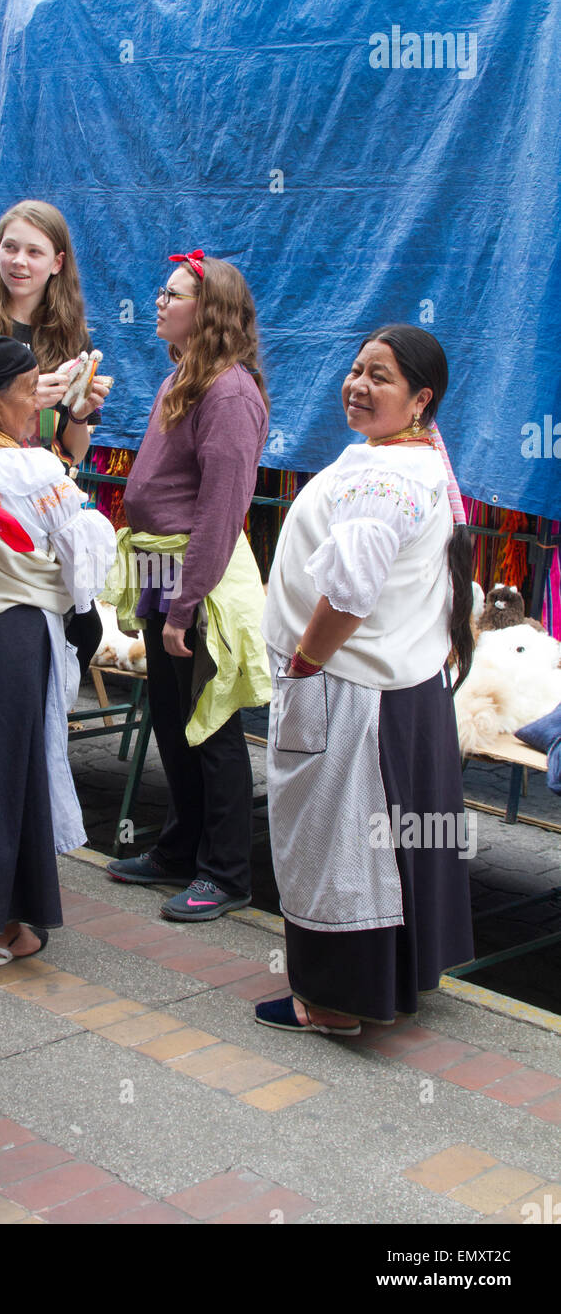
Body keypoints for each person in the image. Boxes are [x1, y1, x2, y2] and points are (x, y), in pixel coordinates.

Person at [255, 324, 474, 1035]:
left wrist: (305, 661)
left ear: (420, 399)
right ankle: (396, 977)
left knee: (338, 844)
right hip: (397, 692)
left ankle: (335, 1001)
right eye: (355, 370)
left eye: (380, 376)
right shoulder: (412, 462)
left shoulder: (384, 477)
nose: (357, 385)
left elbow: (349, 592)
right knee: (391, 842)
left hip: (350, 692)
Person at [0, 334, 116, 963]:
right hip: (12, 635)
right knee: (6, 774)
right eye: (29, 387)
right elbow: (86, 553)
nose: (38, 399)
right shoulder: (30, 469)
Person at [104, 250, 272, 921]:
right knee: (173, 723)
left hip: (190, 577)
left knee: (211, 726)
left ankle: (227, 874)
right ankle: (179, 850)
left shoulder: (230, 393)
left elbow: (220, 512)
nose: (158, 303)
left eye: (170, 293)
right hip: (157, 567)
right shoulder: (184, 380)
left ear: (209, 311)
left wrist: (184, 606)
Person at [0, 199, 111, 670]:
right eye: (10, 248)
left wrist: (77, 413)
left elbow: (72, 454)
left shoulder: (74, 339)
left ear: (57, 263)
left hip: (42, 523)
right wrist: (21, 397)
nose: (19, 262)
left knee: (40, 640)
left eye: (34, 251)